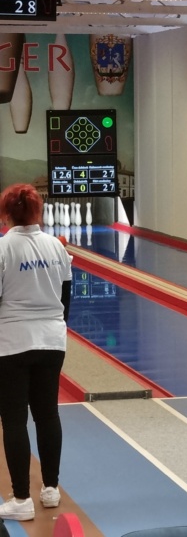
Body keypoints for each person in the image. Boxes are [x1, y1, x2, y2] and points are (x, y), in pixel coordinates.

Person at [0, 184, 72, 521]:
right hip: (52, 340)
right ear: (37, 211)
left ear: (6, 213)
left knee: (14, 419)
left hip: (12, 342)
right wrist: (54, 328)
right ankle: (51, 489)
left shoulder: (3, 248)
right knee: (47, 414)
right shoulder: (56, 247)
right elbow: (66, 298)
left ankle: (21, 499)